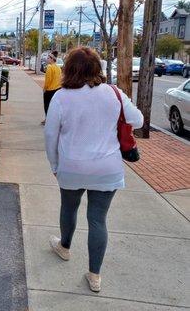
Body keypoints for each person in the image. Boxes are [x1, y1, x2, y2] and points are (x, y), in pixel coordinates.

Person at [44, 47, 143, 293]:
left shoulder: (61, 97)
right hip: (106, 168)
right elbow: (138, 120)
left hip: (72, 165)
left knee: (69, 207)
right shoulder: (114, 94)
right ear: (97, 67)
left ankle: (64, 247)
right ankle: (95, 275)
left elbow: (50, 136)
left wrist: (54, 165)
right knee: (98, 220)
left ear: (69, 69)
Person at [41, 50, 61, 125]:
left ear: (52, 59)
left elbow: (48, 80)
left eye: (48, 58)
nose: (47, 59)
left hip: (50, 90)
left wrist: (45, 88)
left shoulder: (49, 67)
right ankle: (53, 120)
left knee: (47, 106)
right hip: (57, 89)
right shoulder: (58, 68)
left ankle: (47, 120)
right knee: (54, 107)